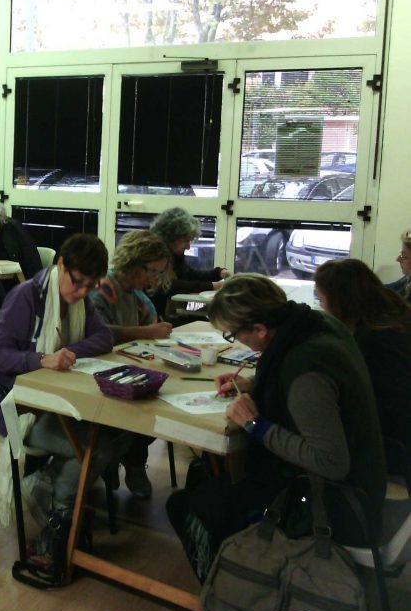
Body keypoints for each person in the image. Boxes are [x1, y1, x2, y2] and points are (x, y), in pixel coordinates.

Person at [165, 273, 386, 583]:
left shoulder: (306, 373)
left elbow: (330, 463)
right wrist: (255, 383)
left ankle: (233, 590)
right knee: (207, 476)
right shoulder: (316, 324)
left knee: (184, 504)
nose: (236, 341)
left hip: (335, 503)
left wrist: (256, 425)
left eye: (234, 335)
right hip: (362, 480)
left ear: (260, 330)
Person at [0, 234, 129, 564]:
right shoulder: (26, 297)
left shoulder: (78, 300)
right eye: (78, 282)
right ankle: (59, 518)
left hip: (54, 400)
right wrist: (42, 358)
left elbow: (103, 336)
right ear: (61, 265)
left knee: (117, 436)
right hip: (14, 403)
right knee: (93, 447)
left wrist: (68, 352)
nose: (83, 293)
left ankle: (44, 489)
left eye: (91, 286)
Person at [89, 230, 173, 498]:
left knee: (153, 407)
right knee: (142, 413)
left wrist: (154, 328)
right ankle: (126, 461)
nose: (154, 278)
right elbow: (99, 333)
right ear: (133, 263)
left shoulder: (133, 291)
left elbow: (151, 319)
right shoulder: (104, 287)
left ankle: (131, 460)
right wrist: (146, 332)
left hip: (126, 366)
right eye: (151, 271)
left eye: (159, 272)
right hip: (99, 374)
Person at [315, 258, 411, 473]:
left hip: (391, 444)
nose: (321, 306)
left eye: (321, 299)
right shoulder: (394, 315)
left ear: (339, 302)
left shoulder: (371, 342)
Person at [147, 207, 230, 319]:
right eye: (185, 241)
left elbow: (189, 274)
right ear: (171, 238)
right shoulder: (156, 255)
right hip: (160, 314)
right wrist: (214, 286)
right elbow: (169, 285)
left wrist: (218, 273)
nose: (188, 247)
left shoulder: (175, 254)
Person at [385, 230, 411, 302]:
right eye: (401, 254)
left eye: (404, 256)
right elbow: (390, 288)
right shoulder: (408, 278)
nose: (398, 259)